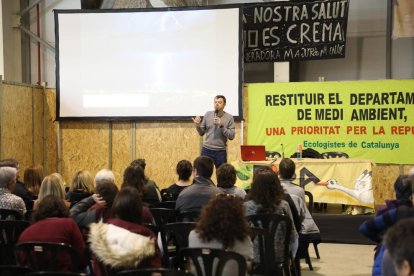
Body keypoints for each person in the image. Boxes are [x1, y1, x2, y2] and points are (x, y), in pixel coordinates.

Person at [88, 187, 162, 275]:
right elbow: (156, 272)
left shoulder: (100, 235)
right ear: (138, 210)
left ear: (116, 207)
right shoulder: (148, 237)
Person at [359, 176, 414, 276]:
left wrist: (383, 239)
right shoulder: (400, 212)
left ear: (395, 193)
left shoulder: (387, 211)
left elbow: (364, 228)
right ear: (411, 196)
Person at [18, 195, 87, 272]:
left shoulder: (26, 232)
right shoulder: (69, 224)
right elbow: (81, 257)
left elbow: (23, 263)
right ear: (63, 209)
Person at [188, 194, 253, 275]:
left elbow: (191, 264)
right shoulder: (242, 238)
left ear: (208, 212)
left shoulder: (193, 235)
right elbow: (248, 266)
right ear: (238, 216)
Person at [243, 169, 298, 262]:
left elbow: (242, 235)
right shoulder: (284, 205)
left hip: (253, 257)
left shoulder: (246, 206)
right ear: (277, 186)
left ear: (254, 186)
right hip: (279, 256)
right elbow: (292, 235)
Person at [192, 95, 235, 168]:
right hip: (206, 150)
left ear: (224, 104)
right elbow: (201, 132)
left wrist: (222, 126)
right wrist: (197, 125)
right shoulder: (208, 114)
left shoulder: (229, 117)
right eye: (215, 102)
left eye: (220, 102)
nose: (217, 104)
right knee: (202, 173)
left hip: (220, 152)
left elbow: (231, 136)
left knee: (221, 175)